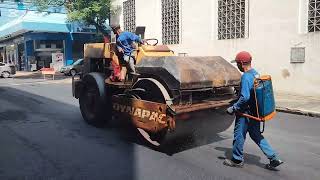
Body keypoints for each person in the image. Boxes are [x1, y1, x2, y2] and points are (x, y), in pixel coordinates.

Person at [224, 51, 283, 169]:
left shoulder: (245, 76)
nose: (237, 66)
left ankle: (237, 160)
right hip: (256, 111)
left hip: (245, 113)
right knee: (256, 134)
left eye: (237, 64)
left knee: (239, 135)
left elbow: (245, 97)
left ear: (241, 63)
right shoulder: (255, 74)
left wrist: (233, 108)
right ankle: (273, 157)